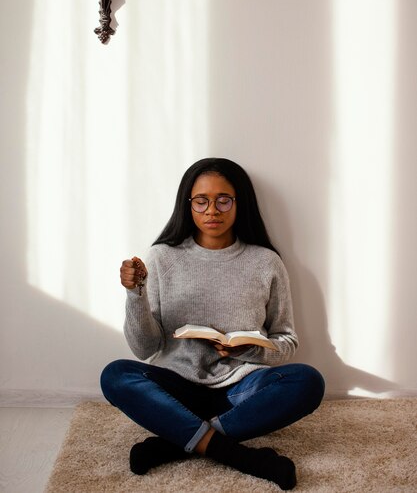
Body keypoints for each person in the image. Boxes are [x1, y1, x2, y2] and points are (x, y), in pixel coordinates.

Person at [101, 158, 325, 490]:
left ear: (239, 203)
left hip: (240, 393)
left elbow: (286, 340)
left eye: (224, 200)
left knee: (308, 382)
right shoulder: (162, 257)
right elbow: (145, 349)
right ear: (187, 205)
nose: (212, 210)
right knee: (116, 375)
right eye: (201, 201)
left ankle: (177, 440)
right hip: (176, 389)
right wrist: (136, 293)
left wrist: (251, 348)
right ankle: (234, 454)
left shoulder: (266, 262)